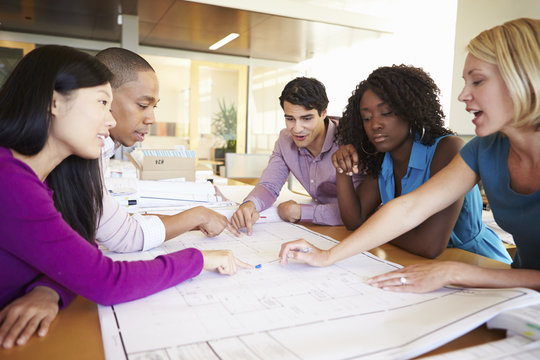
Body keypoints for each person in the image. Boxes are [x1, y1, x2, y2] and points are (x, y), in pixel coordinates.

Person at [0, 45, 251, 349]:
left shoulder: (41, 179)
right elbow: (106, 281)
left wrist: (50, 287)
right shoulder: (11, 180)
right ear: (55, 102)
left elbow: (80, 241)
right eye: (102, 103)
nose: (109, 120)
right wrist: (199, 260)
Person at [279, 18, 540, 293]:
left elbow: (428, 243)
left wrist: (456, 271)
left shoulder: (452, 148)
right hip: (518, 295)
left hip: (490, 275)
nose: (463, 95)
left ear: (524, 78)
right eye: (366, 117)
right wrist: (326, 256)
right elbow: (409, 209)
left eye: (477, 81)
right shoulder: (483, 149)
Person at [331, 64, 511, 263]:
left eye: (387, 113)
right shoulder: (383, 157)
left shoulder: (448, 149)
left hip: (476, 261)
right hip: (419, 265)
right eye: (366, 117)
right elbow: (355, 220)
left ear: (409, 111)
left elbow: (429, 245)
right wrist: (343, 168)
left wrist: (378, 223)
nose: (375, 124)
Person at [94, 47, 239, 254]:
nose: (151, 119)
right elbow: (124, 236)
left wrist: (185, 220)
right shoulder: (85, 153)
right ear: (103, 98)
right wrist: (197, 216)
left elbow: (113, 222)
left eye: (154, 107)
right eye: (143, 105)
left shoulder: (103, 150)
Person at [231, 77, 362, 234]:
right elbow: (269, 186)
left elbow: (362, 210)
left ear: (324, 113)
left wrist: (301, 212)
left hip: (356, 231)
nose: (297, 129)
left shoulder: (351, 140)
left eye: (306, 118)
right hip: (323, 230)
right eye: (290, 119)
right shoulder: (285, 141)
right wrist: (250, 205)